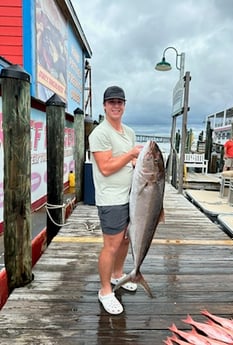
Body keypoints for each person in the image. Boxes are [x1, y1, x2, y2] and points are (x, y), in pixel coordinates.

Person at [88, 86, 143, 314]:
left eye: (120, 102)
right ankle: (105, 291)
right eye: (111, 102)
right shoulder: (99, 133)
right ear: (104, 105)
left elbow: (125, 163)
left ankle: (117, 274)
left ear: (124, 105)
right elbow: (106, 167)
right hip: (111, 199)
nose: (116, 106)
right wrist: (131, 155)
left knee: (126, 240)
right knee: (111, 245)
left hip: (132, 196)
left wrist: (134, 163)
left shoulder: (129, 132)